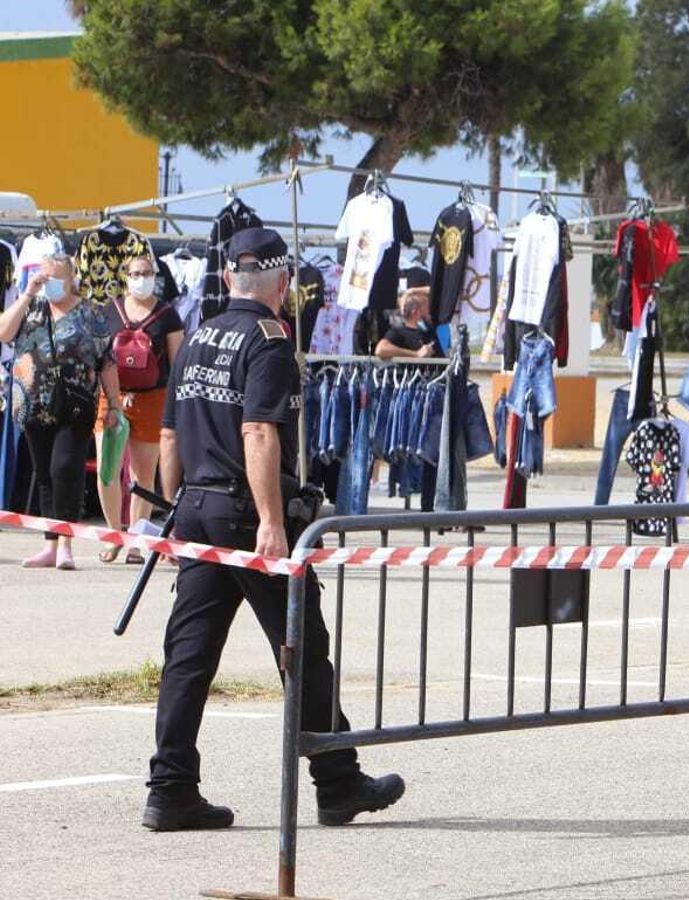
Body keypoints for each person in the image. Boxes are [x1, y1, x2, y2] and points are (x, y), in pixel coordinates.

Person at [145, 227, 404, 831]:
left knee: (188, 657)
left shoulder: (197, 335)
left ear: (231, 278)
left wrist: (171, 510)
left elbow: (167, 436)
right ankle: (337, 784)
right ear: (283, 283)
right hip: (245, 514)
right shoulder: (269, 342)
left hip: (196, 510)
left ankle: (171, 788)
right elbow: (259, 433)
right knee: (305, 651)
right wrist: (269, 522)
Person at [0, 254, 122, 570]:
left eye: (56, 277)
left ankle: (67, 542)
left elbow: (106, 360)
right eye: (45, 276)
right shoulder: (32, 309)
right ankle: (50, 545)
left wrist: (114, 404)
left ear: (71, 279)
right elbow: (4, 333)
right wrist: (28, 293)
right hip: (32, 403)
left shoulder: (90, 314)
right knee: (44, 475)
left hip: (76, 404)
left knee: (64, 468)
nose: (50, 283)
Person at [95, 254, 186, 564]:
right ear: (125, 277)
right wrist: (110, 397)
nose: (141, 278)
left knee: (142, 474)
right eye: (135, 273)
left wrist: (175, 406)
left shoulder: (168, 315)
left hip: (152, 398)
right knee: (108, 471)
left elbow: (178, 363)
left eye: (146, 273)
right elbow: (99, 356)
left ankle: (134, 540)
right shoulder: (109, 311)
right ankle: (113, 534)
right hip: (111, 398)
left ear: (155, 276)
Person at [374, 288, 439, 360]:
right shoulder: (399, 331)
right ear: (415, 312)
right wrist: (416, 354)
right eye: (427, 308)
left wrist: (413, 291)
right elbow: (380, 350)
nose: (429, 312)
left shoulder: (430, 330)